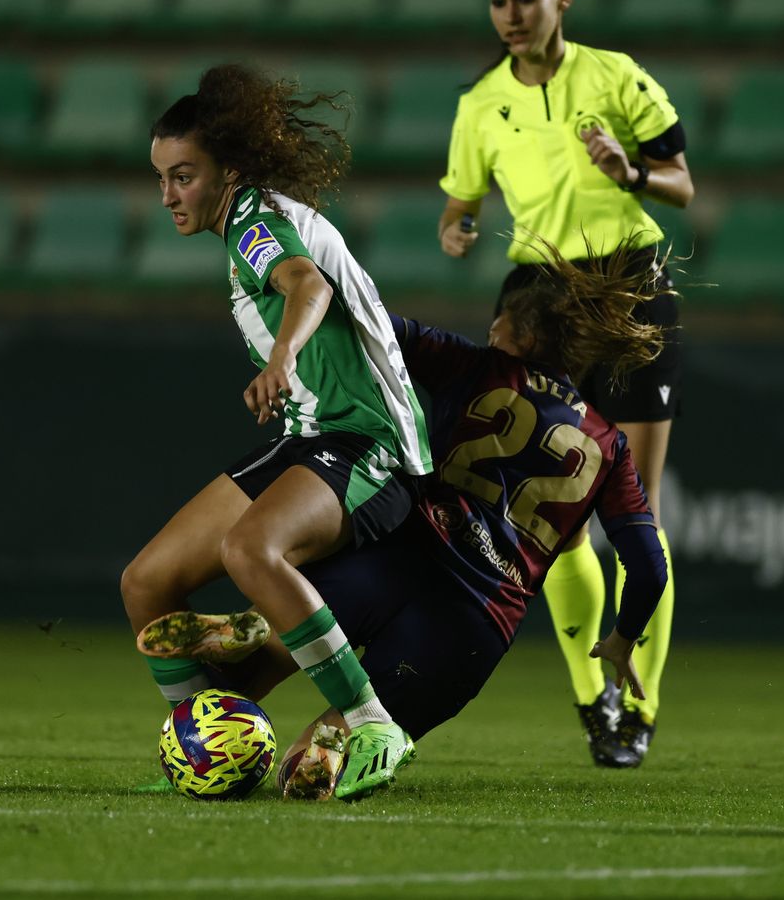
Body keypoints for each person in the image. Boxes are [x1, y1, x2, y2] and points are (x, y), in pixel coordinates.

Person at [167, 237, 671, 800]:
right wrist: (623, 639)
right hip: (470, 622)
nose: (491, 333)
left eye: (498, 326)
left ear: (526, 338)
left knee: (241, 679)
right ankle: (336, 743)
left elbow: (373, 324)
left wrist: (305, 279)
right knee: (312, 770)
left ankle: (257, 632)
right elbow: (649, 567)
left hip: (393, 562)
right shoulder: (611, 446)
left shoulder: (479, 365)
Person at [121, 63, 432, 801]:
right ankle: (207, 744)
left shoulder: (254, 223)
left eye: (184, 176)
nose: (168, 195)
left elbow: (307, 283)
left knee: (249, 549)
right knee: (147, 582)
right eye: (161, 178)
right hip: (310, 435)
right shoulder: (256, 219)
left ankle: (372, 723)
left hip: (368, 441)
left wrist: (283, 355)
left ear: (228, 171)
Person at [433, 0, 697, 768]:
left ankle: (640, 706)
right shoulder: (481, 104)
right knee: (557, 517)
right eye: (497, 1)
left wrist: (630, 174)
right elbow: (459, 203)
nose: (510, 15)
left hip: (629, 286)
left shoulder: (615, 77)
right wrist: (456, 227)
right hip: (539, 302)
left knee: (638, 515)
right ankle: (596, 699)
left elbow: (682, 183)